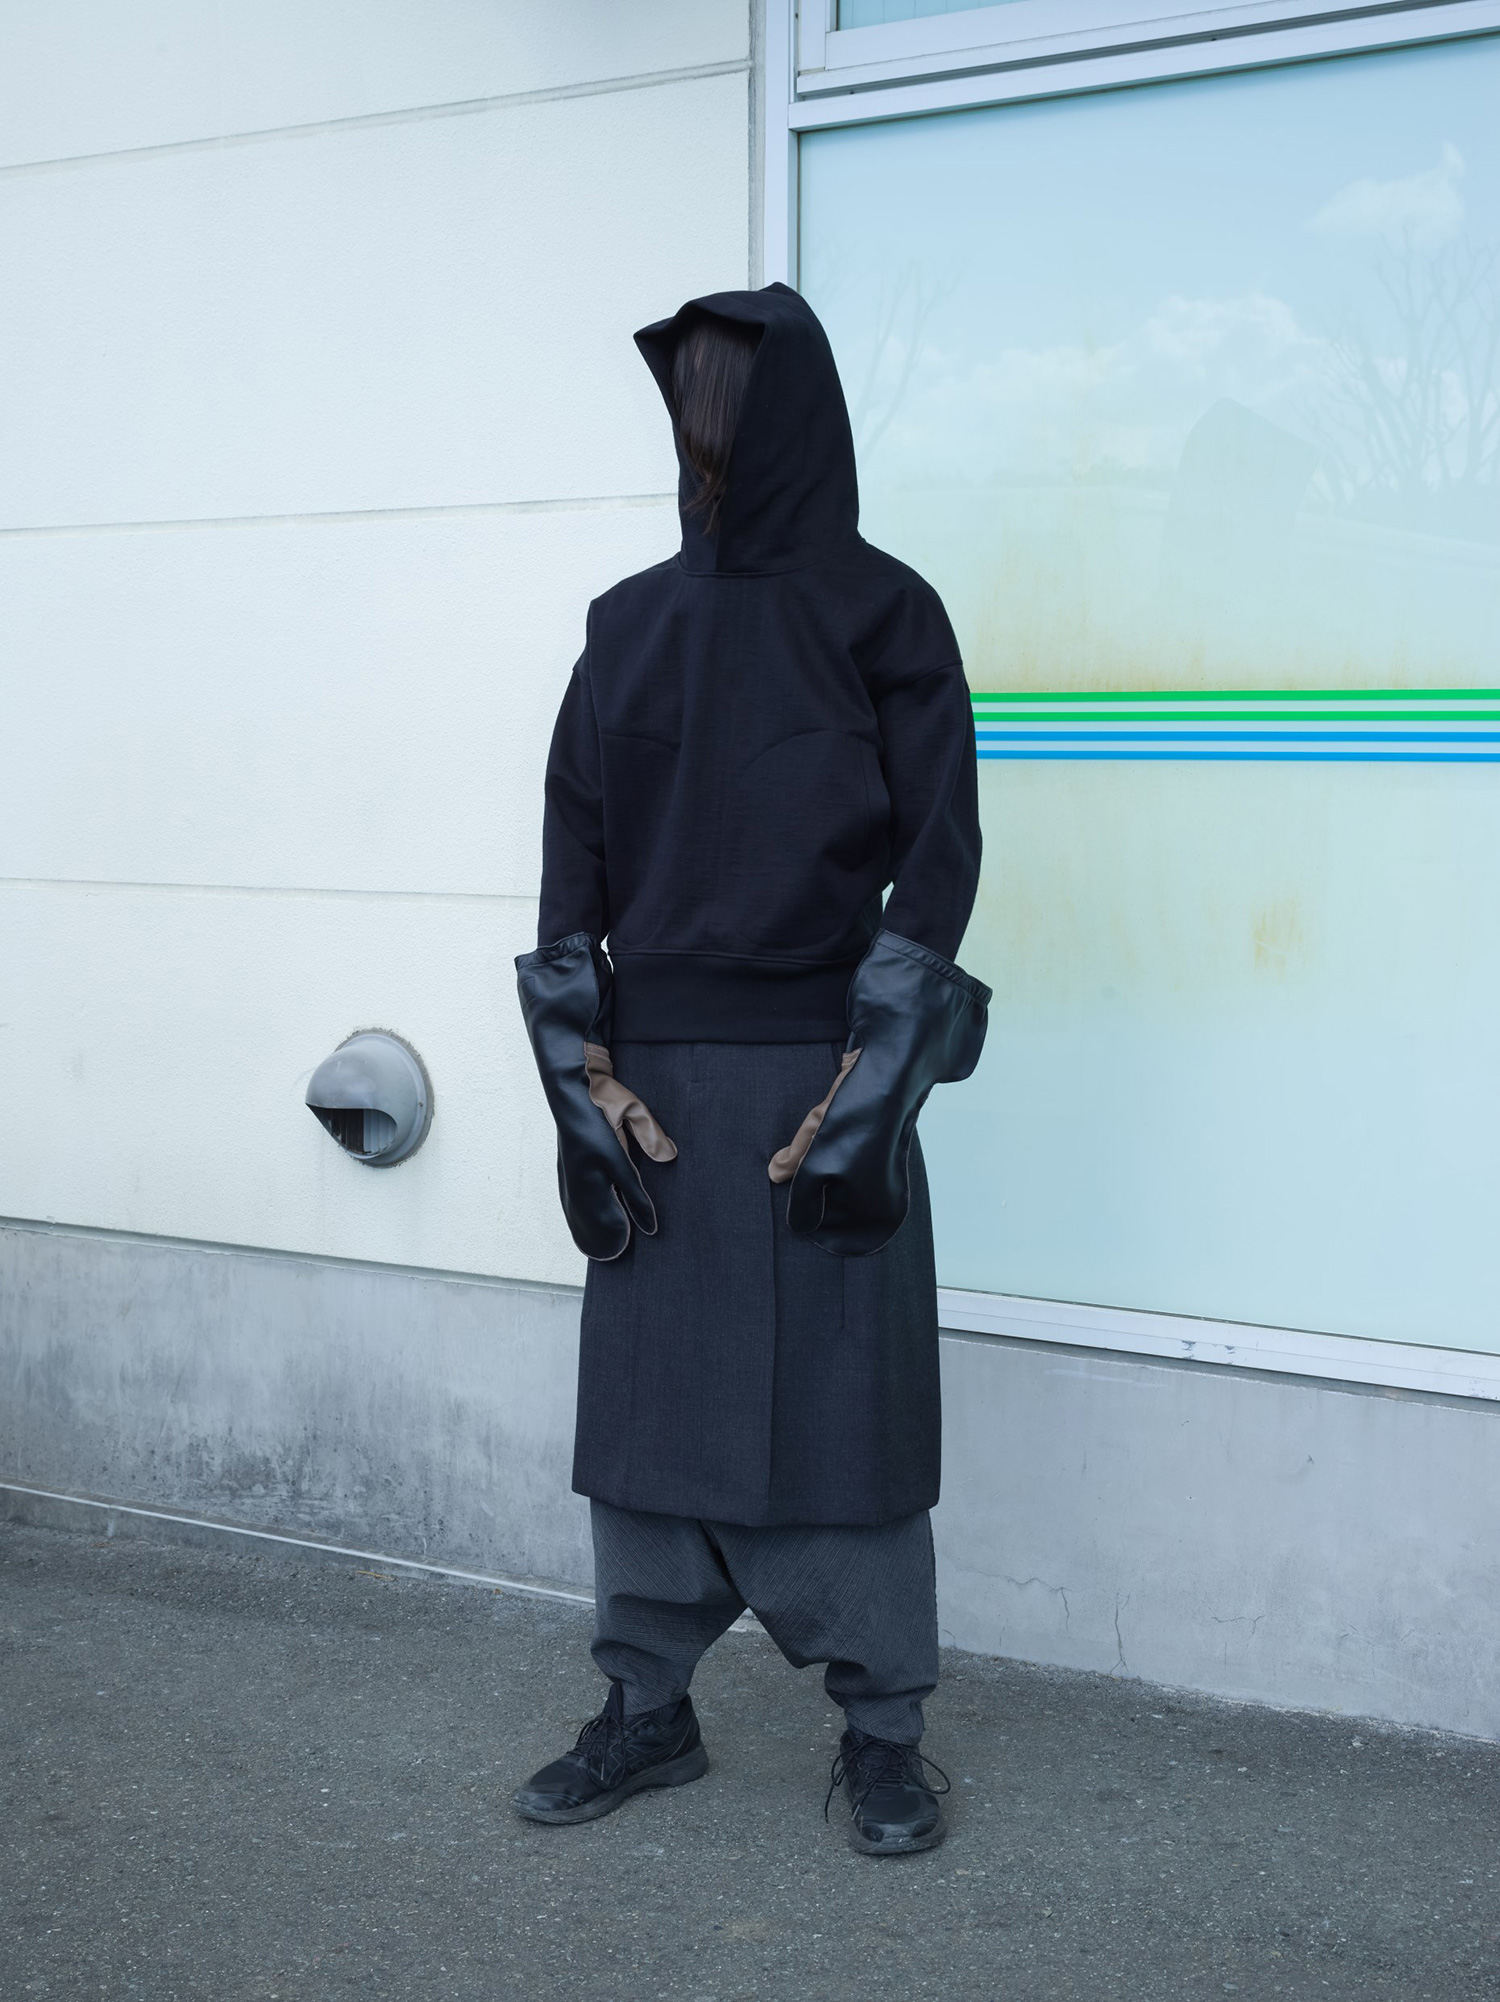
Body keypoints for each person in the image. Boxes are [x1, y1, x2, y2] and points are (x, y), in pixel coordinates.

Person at [511, 282, 988, 1856]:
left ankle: (885, 1733)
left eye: (728, 399)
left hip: (824, 1076)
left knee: (850, 1424)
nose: (704, 429)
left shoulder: (886, 613)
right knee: (647, 1429)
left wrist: (874, 1080)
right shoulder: (625, 625)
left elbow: (941, 853)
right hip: (655, 1086)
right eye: (689, 399)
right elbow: (569, 860)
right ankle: (646, 1708)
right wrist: (584, 1072)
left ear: (790, 414)